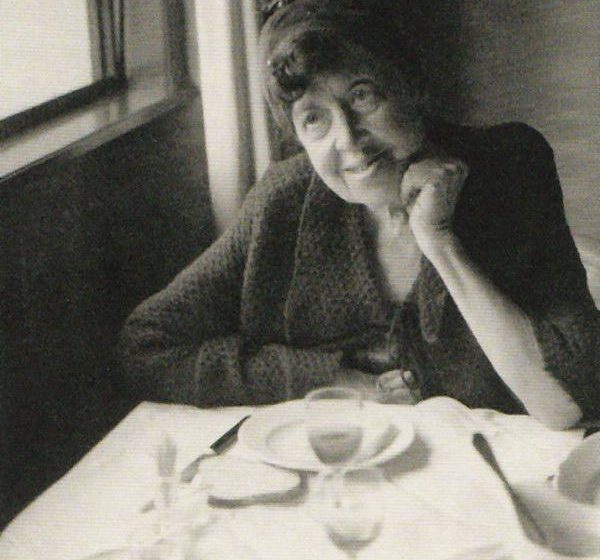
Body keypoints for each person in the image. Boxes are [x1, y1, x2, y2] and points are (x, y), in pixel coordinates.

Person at [119, 0, 599, 429]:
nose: (348, 140)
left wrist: (440, 242)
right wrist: (333, 381)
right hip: (334, 476)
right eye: (314, 118)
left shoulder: (510, 167)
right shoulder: (283, 202)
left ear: (412, 87)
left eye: (362, 96)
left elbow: (569, 402)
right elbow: (146, 345)